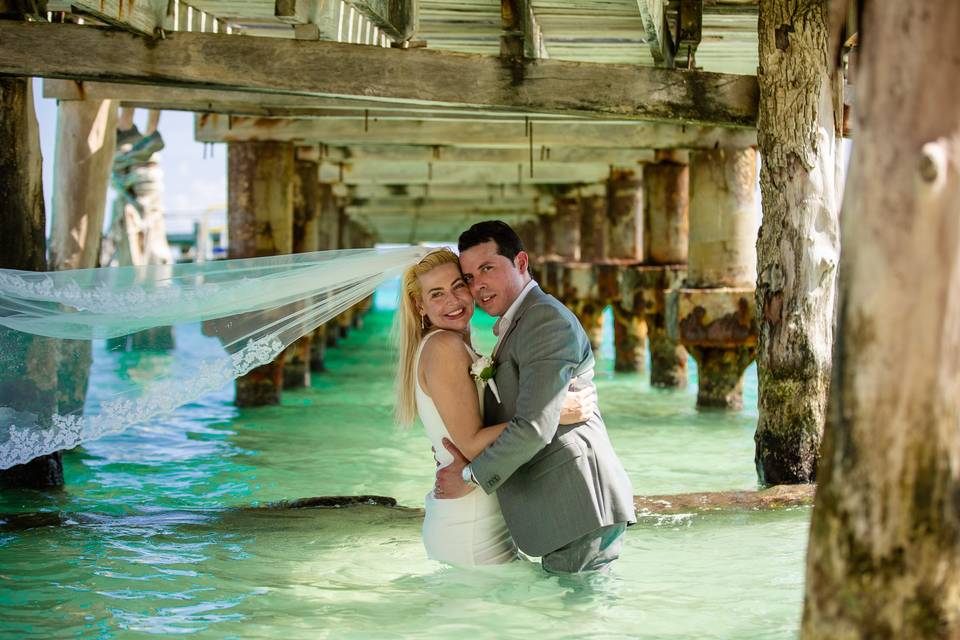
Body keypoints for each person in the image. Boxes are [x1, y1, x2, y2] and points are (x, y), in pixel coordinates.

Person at [434, 221, 637, 574]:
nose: (477, 285)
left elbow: (533, 427)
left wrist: (470, 477)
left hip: (578, 506)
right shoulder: (521, 319)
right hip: (561, 508)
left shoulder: (544, 320)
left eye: (487, 268)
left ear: (521, 262)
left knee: (578, 624)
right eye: (468, 277)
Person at [395, 248, 596, 566]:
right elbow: (472, 443)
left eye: (459, 285)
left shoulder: (450, 345)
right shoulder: (444, 348)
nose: (453, 301)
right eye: (437, 294)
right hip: (471, 526)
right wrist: (553, 413)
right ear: (419, 305)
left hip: (476, 514)